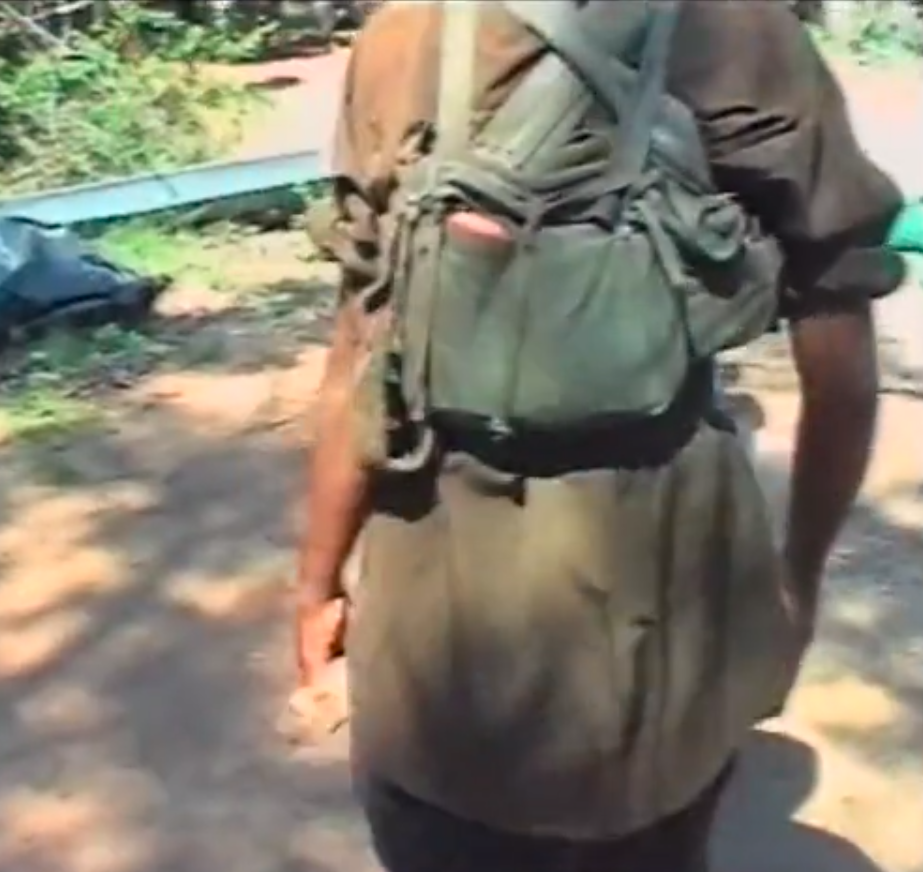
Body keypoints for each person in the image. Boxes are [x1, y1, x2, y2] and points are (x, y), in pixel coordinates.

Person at [293, 2, 908, 870]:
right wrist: (797, 576)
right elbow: (840, 360)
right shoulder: (743, 29)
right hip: (663, 618)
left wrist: (317, 583)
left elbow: (357, 350)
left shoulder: (402, 36)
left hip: (433, 632)